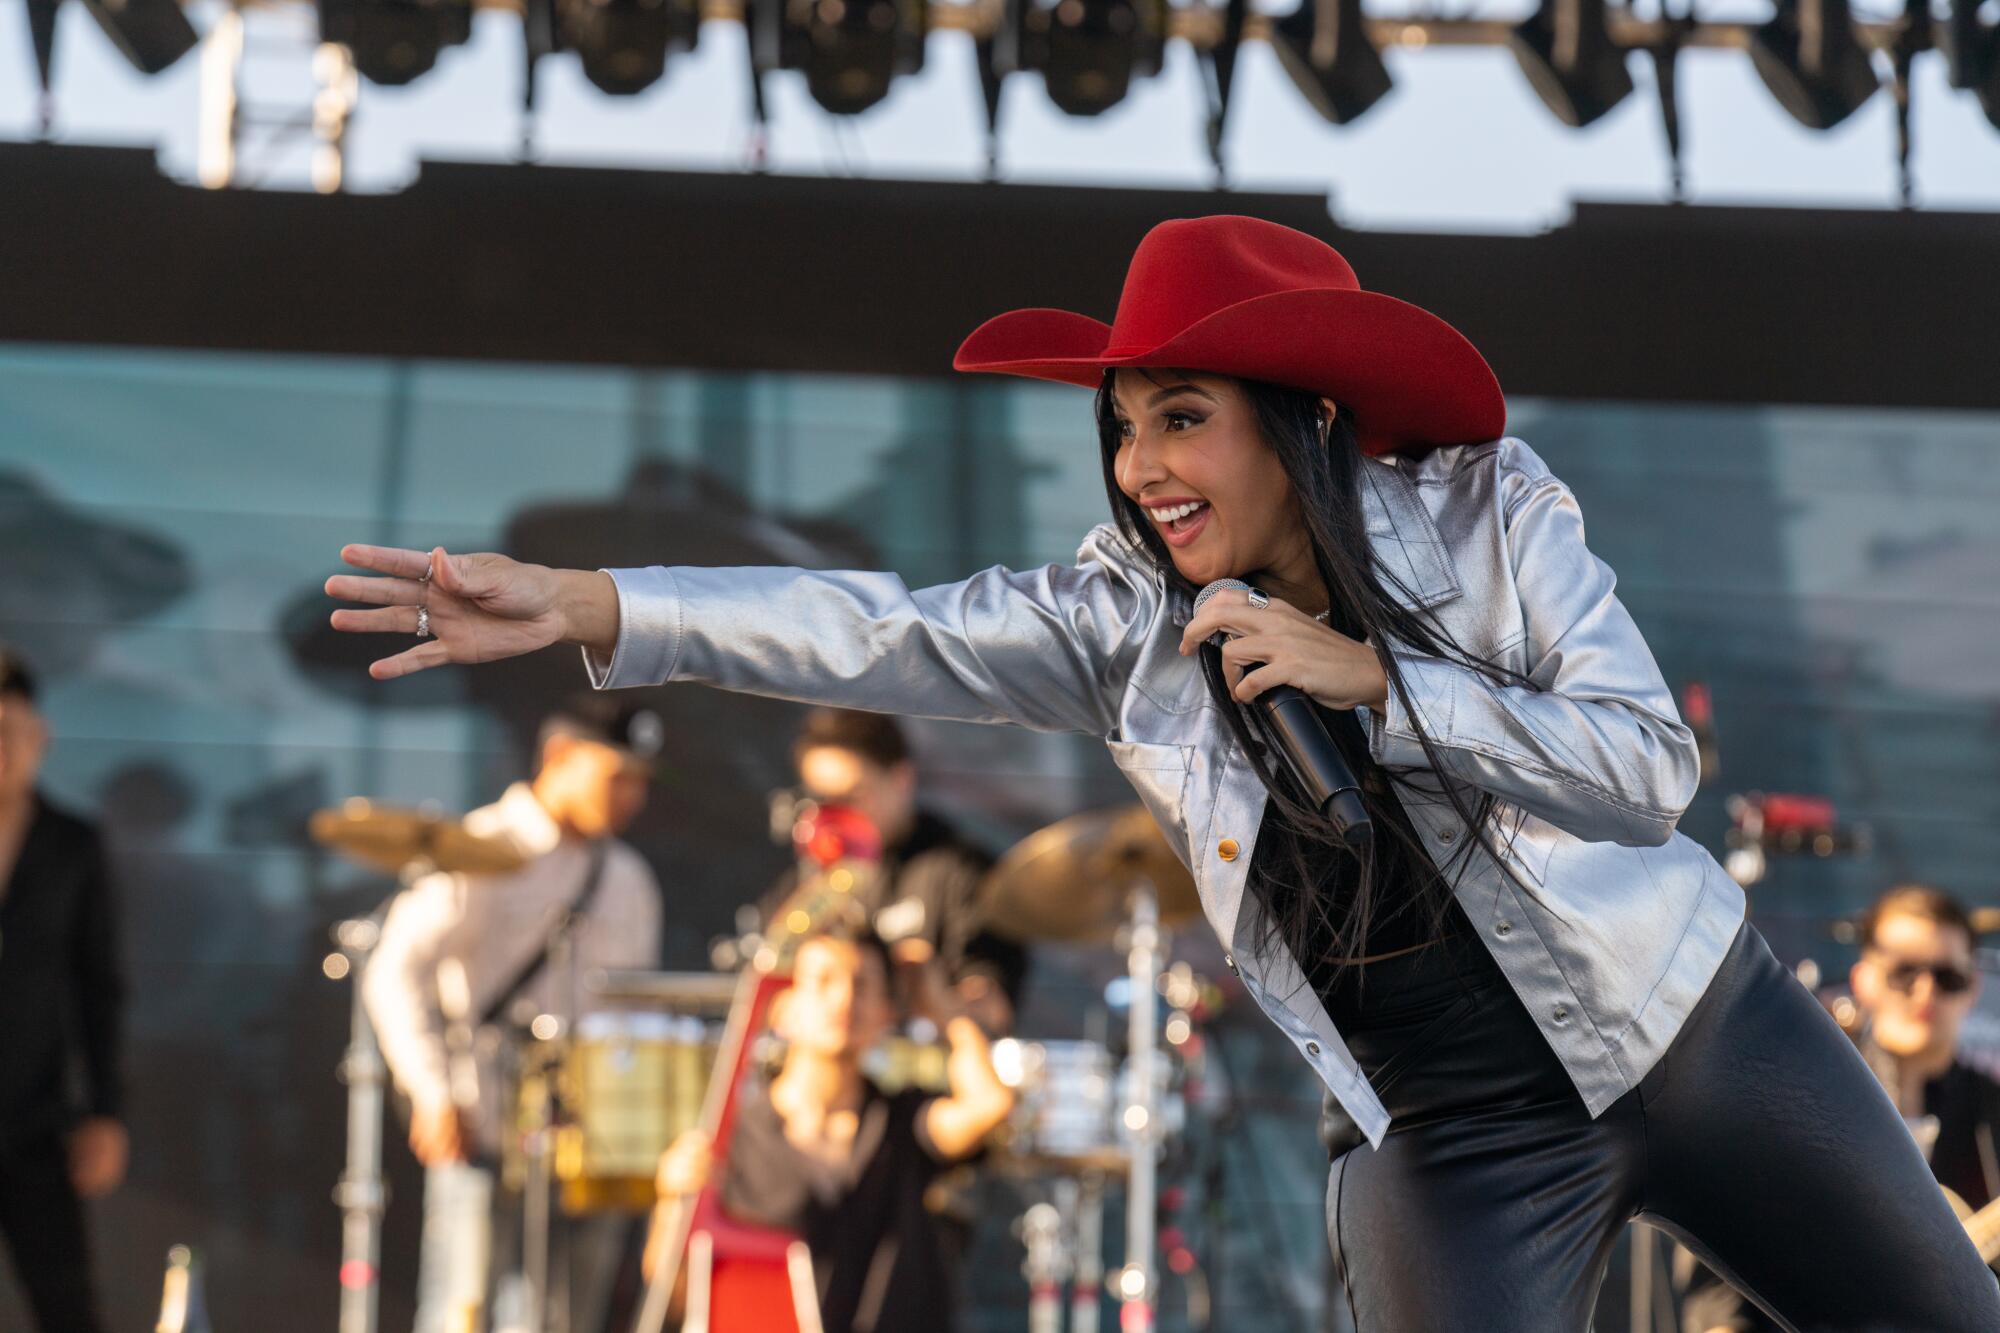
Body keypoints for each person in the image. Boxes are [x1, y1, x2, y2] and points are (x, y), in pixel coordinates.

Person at [326, 214, 2000, 1329]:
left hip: (1699, 1031)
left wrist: (1386, 683)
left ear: (1297, 423)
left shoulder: (1490, 513)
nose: (1141, 465)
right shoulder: (1122, 622)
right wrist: (587, 602)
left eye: (1182, 416)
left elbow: (1650, 767)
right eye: (1123, 424)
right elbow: (867, 629)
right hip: (1452, 1130)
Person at [362, 696, 665, 1333]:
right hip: (489, 1129)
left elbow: (635, 1011)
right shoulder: (482, 849)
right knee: (462, 1312)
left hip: (591, 1147)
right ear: (559, 758)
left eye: (641, 781)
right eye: (617, 776)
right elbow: (394, 971)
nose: (631, 797)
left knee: (568, 1320)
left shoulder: (631, 878)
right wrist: (433, 1091)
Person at [640, 926, 1013, 1333]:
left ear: (888, 1012)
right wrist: (670, 1204)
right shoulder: (729, 1135)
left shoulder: (904, 1120)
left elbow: (989, 1104)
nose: (844, 999)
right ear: (784, 1008)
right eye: (823, 981)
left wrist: (942, 1008)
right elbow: (673, 1291)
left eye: (863, 984)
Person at [1680, 884, 2000, 1332]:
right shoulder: (1797, 1100)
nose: (1926, 993)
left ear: (1973, 988)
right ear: (1863, 978)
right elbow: (1722, 1281)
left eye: (1948, 978)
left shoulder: (1993, 1112)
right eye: (1905, 973)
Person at [0, 647, 126, 1333]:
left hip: (36, 1117)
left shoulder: (71, 843)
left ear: (39, 735)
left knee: (68, 1306)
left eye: (9, 732)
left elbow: (98, 985)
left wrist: (106, 1109)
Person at [769, 707, 1023, 1035]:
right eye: (824, 801)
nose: (836, 815)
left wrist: (939, 1001)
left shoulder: (961, 872)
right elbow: (766, 987)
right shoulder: (811, 879)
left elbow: (993, 1008)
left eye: (853, 795)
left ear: (901, 779)